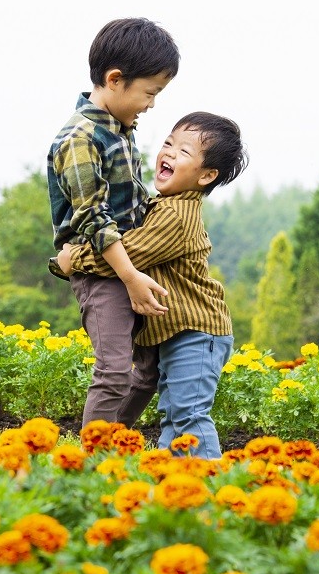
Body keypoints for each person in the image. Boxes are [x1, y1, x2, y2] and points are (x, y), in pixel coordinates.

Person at [57, 112, 249, 459]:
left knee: (187, 414)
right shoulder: (162, 205)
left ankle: (209, 486)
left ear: (206, 176)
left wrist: (73, 260)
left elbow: (130, 255)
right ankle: (172, 481)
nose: (170, 153)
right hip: (181, 332)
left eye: (184, 152)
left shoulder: (176, 216)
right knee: (174, 412)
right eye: (168, 144)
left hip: (197, 332)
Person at [47, 17, 180, 428]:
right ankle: (92, 461)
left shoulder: (121, 129)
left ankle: (108, 442)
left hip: (130, 265)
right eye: (150, 92)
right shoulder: (80, 138)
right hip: (105, 273)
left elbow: (133, 198)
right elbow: (93, 217)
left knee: (148, 372)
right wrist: (130, 277)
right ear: (116, 79)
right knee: (115, 371)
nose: (152, 103)